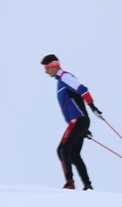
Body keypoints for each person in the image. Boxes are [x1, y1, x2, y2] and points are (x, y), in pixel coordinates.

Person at [41, 54, 100, 190]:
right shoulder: (60, 81)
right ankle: (87, 185)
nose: (45, 71)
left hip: (78, 120)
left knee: (62, 149)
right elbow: (77, 99)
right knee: (73, 154)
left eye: (46, 68)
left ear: (53, 66)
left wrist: (92, 107)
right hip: (80, 121)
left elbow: (82, 89)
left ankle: (69, 183)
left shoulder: (65, 77)